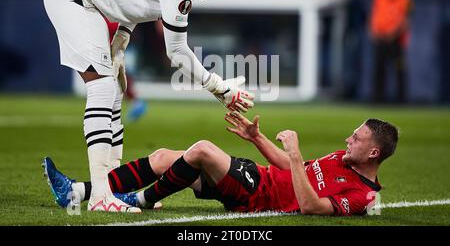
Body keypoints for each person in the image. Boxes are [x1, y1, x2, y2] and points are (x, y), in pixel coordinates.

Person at [43, 0, 255, 213]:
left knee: (116, 89)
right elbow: (176, 52)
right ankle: (99, 197)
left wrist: (122, 35)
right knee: (103, 89)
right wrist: (220, 88)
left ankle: (111, 190)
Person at [43, 112, 398, 216]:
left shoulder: (363, 195)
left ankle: (140, 200)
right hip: (257, 177)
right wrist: (257, 138)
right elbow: (293, 170)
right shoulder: (341, 159)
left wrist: (294, 154)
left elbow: (310, 207)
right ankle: (76, 192)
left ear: (373, 154)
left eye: (357, 138)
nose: (348, 140)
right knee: (164, 157)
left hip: (257, 196)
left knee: (201, 150)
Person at [369, 0, 412, 103]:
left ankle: (401, 100)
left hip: (396, 40)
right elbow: (375, 15)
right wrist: (374, 30)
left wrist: (393, 33)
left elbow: (405, 19)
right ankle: (378, 99)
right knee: (379, 70)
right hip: (381, 38)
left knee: (399, 69)